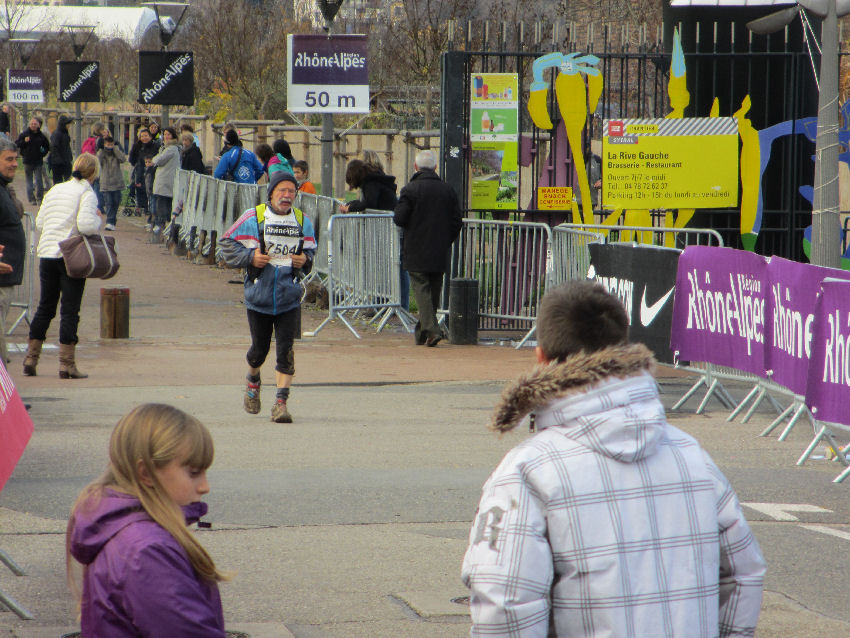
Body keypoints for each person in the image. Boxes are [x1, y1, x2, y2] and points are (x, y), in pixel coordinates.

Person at [462, 281, 767, 637]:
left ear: (541, 357)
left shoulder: (527, 470)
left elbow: (505, 603)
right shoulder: (692, 456)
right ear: (624, 348)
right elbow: (744, 572)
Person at [66, 403, 227, 637]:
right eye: (193, 473)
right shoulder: (148, 551)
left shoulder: (125, 532)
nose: (205, 486)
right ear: (146, 473)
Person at [220, 171, 316, 423]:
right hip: (259, 297)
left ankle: (280, 404)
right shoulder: (254, 217)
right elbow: (226, 243)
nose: (286, 196)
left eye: (291, 191)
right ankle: (253, 380)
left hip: (289, 298)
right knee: (259, 351)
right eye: (281, 190)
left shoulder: (302, 220)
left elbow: (310, 253)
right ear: (271, 193)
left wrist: (304, 260)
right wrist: (250, 258)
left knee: (286, 351)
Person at [23, 153, 102, 379]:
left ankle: (31, 358)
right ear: (93, 173)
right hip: (71, 254)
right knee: (69, 309)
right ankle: (66, 364)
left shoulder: (55, 189)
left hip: (47, 252)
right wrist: (98, 219)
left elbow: (40, 222)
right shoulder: (86, 193)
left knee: (45, 307)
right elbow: (85, 225)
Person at [393, 149, 462, 346]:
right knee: (433, 292)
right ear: (435, 167)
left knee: (422, 291)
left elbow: (399, 218)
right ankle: (422, 333)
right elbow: (457, 221)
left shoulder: (410, 190)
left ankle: (432, 331)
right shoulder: (447, 190)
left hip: (416, 249)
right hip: (439, 249)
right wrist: (445, 239)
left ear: (416, 167)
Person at [0, 137, 25, 364]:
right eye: (8, 159)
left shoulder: (4, 188)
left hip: (6, 279)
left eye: (15, 159)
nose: (15, 164)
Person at [147, 126, 181, 234]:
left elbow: (159, 159)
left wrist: (154, 160)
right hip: (163, 180)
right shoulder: (165, 148)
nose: (166, 136)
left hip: (166, 180)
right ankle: (162, 223)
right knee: (162, 202)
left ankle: (161, 224)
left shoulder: (172, 149)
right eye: (165, 134)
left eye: (168, 134)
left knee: (162, 203)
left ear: (173, 136)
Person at [15, 116, 50, 205]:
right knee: (29, 181)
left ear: (38, 125)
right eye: (32, 124)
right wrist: (24, 141)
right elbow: (17, 144)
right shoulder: (24, 134)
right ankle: (31, 199)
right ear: (29, 125)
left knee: (39, 181)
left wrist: (43, 153)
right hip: (27, 161)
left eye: (35, 124)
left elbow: (47, 146)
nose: (33, 125)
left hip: (38, 161)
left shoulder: (41, 136)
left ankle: (39, 198)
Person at [128, 126, 160, 221]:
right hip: (140, 173)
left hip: (153, 173)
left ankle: (152, 216)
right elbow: (132, 159)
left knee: (152, 195)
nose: (144, 138)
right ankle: (146, 213)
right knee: (142, 194)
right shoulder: (137, 146)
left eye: (146, 136)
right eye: (142, 136)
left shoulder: (156, 146)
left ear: (150, 136)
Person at [97, 135, 127, 231]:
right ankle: (109, 222)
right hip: (105, 182)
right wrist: (102, 150)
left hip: (117, 182)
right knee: (108, 203)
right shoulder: (101, 153)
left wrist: (115, 149)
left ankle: (113, 220)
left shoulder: (116, 152)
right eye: (107, 144)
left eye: (111, 144)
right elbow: (97, 161)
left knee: (116, 202)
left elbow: (123, 159)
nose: (109, 146)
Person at [48, 115, 74, 185]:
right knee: (58, 183)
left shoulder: (65, 133)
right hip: (58, 163)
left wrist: (69, 157)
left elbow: (67, 148)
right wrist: (59, 160)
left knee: (68, 181)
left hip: (65, 161)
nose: (69, 126)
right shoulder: (57, 134)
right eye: (67, 124)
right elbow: (54, 147)